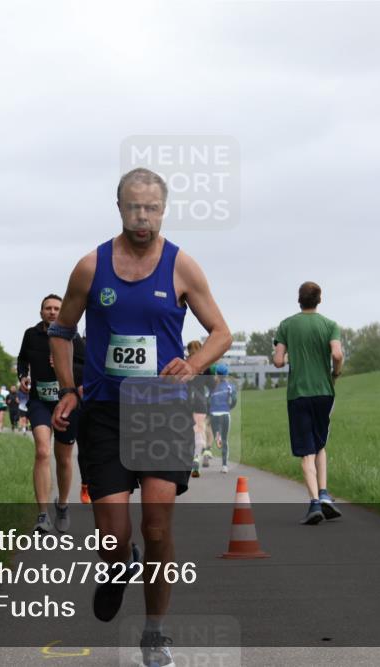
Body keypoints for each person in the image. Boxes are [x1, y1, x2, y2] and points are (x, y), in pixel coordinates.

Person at [49, 168, 231, 666]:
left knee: (156, 526)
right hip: (105, 413)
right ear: (119, 208)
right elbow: (62, 330)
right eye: (134, 208)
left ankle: (155, 633)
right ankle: (115, 566)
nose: (143, 217)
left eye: (151, 208)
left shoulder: (181, 267)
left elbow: (221, 332)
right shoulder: (91, 267)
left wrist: (192, 365)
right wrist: (68, 389)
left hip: (161, 412)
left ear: (163, 209)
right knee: (114, 538)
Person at [273, 281, 345, 525]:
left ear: (299, 300)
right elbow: (337, 354)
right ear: (319, 300)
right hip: (325, 392)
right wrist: (336, 373)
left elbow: (278, 361)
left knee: (306, 451)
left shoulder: (286, 325)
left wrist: (290, 353)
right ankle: (324, 494)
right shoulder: (330, 325)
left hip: (299, 394)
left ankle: (314, 502)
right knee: (320, 443)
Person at [18, 294, 88, 534]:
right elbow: (22, 360)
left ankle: (63, 504)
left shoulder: (73, 337)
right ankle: (42, 514)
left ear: (62, 312)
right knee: (42, 451)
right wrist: (23, 377)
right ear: (41, 313)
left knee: (64, 458)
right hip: (40, 402)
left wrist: (62, 364)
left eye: (57, 308)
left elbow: (86, 367)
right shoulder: (31, 334)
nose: (52, 311)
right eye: (47, 308)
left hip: (66, 403)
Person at [185, 341, 211, 477]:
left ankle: (189, 457)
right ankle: (197, 457)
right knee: (200, 430)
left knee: (187, 431)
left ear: (188, 350)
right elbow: (212, 385)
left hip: (187, 401)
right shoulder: (205, 366)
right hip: (200, 402)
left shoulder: (185, 364)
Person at [208, 365, 237, 473]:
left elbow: (208, 401)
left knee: (217, 434)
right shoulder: (230, 386)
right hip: (225, 413)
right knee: (225, 440)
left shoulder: (212, 387)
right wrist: (229, 407)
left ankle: (217, 436)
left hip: (214, 414)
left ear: (216, 374)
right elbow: (234, 399)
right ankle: (224, 466)